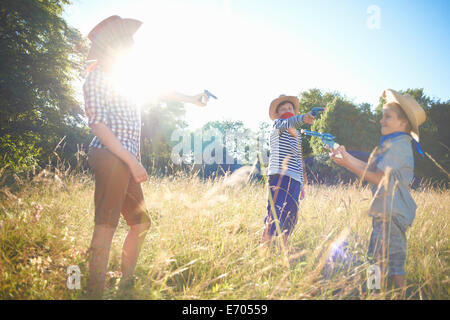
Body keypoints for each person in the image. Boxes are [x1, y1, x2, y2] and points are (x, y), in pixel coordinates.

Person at [83, 15, 208, 298]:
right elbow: (98, 125)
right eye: (125, 41)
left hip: (124, 160)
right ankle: (92, 291)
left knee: (141, 224)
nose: (130, 46)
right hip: (111, 156)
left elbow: (158, 90)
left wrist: (191, 98)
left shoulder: (126, 77)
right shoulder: (96, 78)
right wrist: (131, 160)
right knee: (106, 226)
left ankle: (125, 281)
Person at [330, 89, 426, 296]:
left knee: (392, 265)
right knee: (378, 261)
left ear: (404, 123)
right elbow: (370, 170)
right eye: (382, 115)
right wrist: (345, 158)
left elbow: (379, 178)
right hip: (384, 213)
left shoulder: (399, 146)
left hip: (391, 215)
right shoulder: (392, 144)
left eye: (387, 116)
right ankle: (375, 293)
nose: (381, 120)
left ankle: (394, 294)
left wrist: (347, 161)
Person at [261, 95, 315, 249]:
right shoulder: (278, 125)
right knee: (275, 213)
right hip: (279, 176)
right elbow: (288, 122)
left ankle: (283, 249)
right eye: (283, 109)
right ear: (278, 114)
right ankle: (263, 249)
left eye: (290, 108)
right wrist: (303, 117)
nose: (287, 111)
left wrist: (302, 184)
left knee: (291, 216)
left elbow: (299, 159)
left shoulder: (297, 135)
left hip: (295, 180)